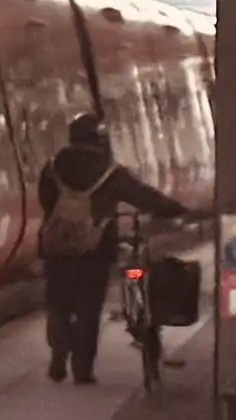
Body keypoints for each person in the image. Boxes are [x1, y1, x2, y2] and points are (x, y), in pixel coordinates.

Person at [28, 123, 197, 386]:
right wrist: (176, 210)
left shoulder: (52, 169)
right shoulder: (110, 172)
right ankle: (82, 370)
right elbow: (144, 196)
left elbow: (46, 201)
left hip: (57, 248)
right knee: (88, 309)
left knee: (58, 303)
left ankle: (59, 354)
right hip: (95, 250)